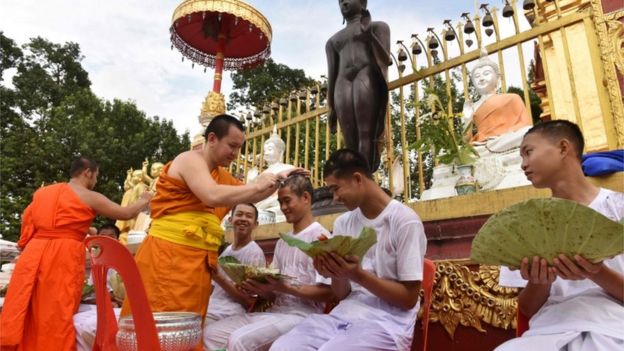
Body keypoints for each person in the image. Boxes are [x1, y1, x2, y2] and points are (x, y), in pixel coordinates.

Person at [119, 115, 287, 347]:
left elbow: (251, 193)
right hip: (168, 258)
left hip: (196, 264)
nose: (235, 154)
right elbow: (211, 195)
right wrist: (258, 184)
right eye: (232, 146)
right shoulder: (189, 160)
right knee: (161, 328)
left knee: (188, 331)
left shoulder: (221, 175)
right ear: (212, 139)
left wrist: (277, 181)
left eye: (239, 148)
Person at [271, 149, 427, 351]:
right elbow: (341, 294)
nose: (334, 198)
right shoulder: (343, 223)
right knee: (282, 348)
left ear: (357, 179)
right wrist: (335, 271)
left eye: (336, 189)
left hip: (387, 323)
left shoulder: (404, 221)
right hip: (345, 314)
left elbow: (408, 300)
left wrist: (357, 274)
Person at [495, 120, 624, 351]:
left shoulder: (618, 207)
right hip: (549, 328)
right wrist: (539, 281)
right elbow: (527, 308)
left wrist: (597, 272)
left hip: (614, 324)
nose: (523, 165)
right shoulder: (523, 223)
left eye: (528, 152)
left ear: (564, 148)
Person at [0, 156, 152, 351]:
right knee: (56, 312)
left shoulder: (42, 193)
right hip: (63, 255)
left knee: (29, 308)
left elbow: (29, 224)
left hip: (33, 254)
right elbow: (125, 214)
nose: (96, 181)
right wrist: (143, 199)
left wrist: (78, 230)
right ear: (88, 172)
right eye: (96, 176)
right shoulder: (88, 196)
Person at [204, 175, 334, 351]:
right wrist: (260, 289)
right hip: (274, 313)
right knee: (209, 335)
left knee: (240, 340)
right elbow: (273, 295)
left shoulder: (321, 238)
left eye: (287, 201)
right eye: (280, 203)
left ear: (305, 198)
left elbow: (329, 294)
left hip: (302, 315)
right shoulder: (282, 242)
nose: (283, 208)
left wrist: (286, 287)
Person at [326, 0, 391, 172]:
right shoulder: (332, 41)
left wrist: (370, 35)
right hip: (342, 81)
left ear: (362, 3)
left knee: (365, 132)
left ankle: (364, 176)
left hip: (366, 74)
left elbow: (386, 59)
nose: (344, 2)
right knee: (349, 136)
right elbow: (331, 76)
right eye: (340, 1)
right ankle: (352, 175)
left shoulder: (379, 27)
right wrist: (330, 106)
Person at [205, 203, 266, 326]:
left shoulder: (255, 253)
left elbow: (250, 302)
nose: (243, 219)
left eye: (249, 216)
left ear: (256, 224)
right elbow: (211, 289)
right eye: (239, 214)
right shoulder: (226, 252)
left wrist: (219, 278)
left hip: (230, 312)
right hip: (212, 306)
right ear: (230, 220)